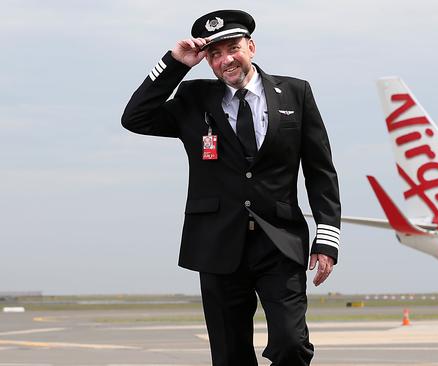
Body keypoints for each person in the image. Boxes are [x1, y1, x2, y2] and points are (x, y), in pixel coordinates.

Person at [121, 9, 341, 366]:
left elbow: (320, 171)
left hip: (280, 243)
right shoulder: (194, 99)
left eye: (233, 49)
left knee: (290, 344)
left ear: (251, 47)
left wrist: (327, 237)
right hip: (216, 244)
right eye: (214, 54)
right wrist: (175, 63)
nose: (226, 60)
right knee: (229, 356)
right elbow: (135, 117)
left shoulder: (295, 94)